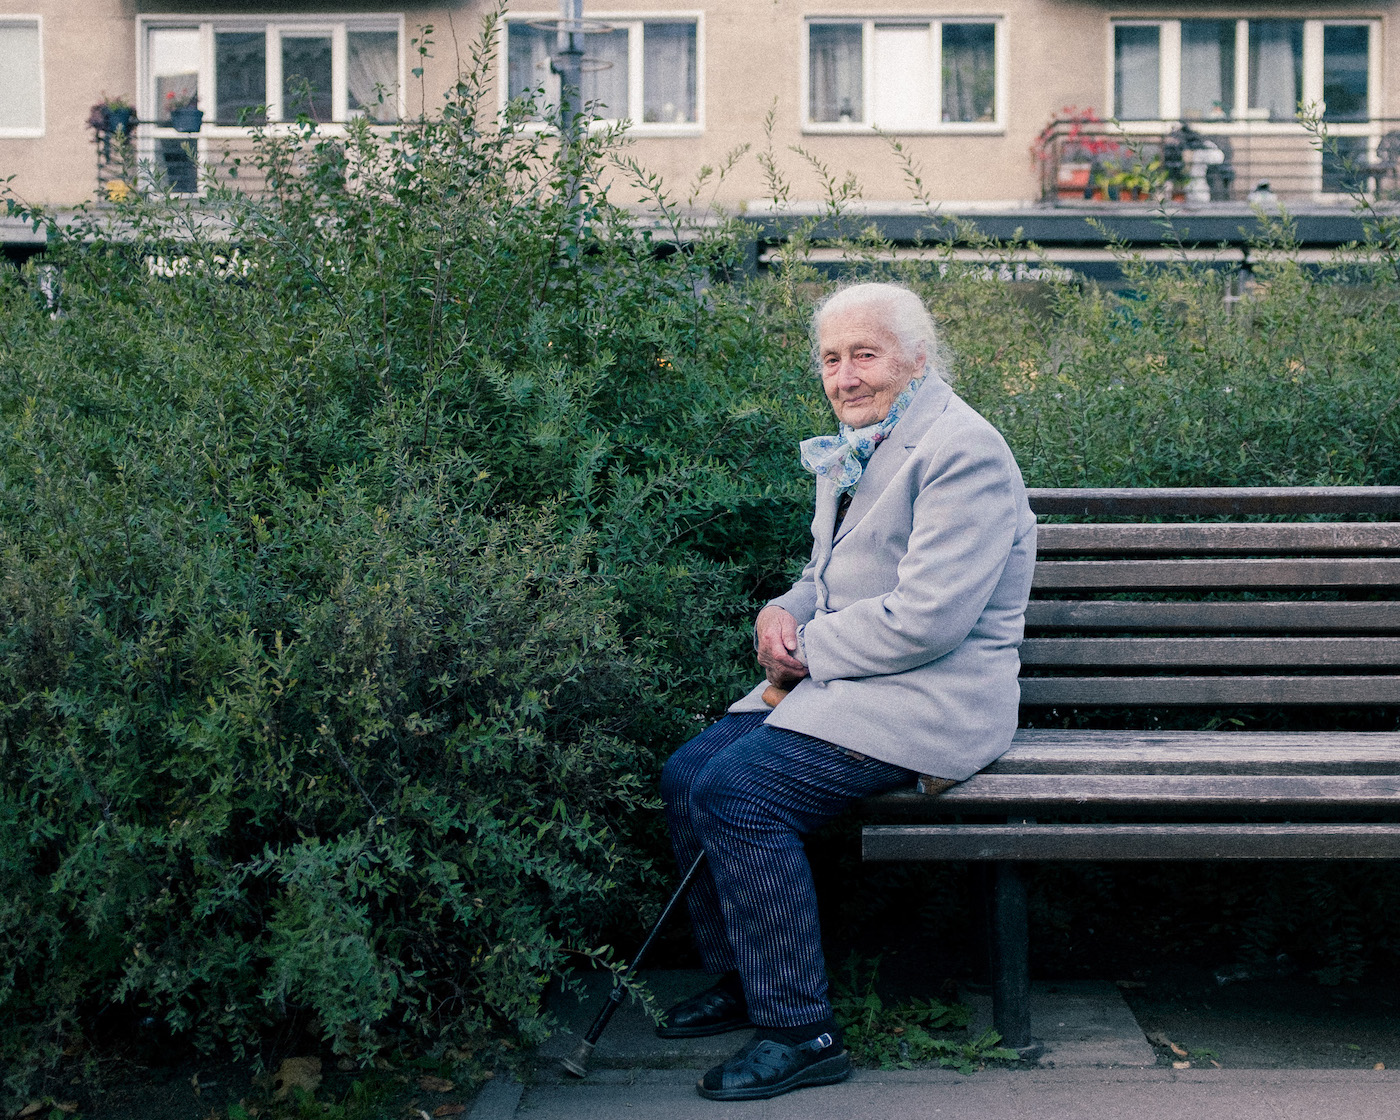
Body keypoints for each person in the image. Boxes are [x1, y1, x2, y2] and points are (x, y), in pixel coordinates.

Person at [658, 281, 1037, 1102]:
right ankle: (746, 978)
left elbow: (929, 621)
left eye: (865, 354)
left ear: (917, 359)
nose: (845, 376)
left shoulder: (962, 449)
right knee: (688, 775)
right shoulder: (858, 442)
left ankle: (802, 1031)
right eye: (831, 359)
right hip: (853, 683)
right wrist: (783, 612)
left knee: (739, 792)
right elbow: (822, 575)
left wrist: (805, 655)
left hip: (931, 697)